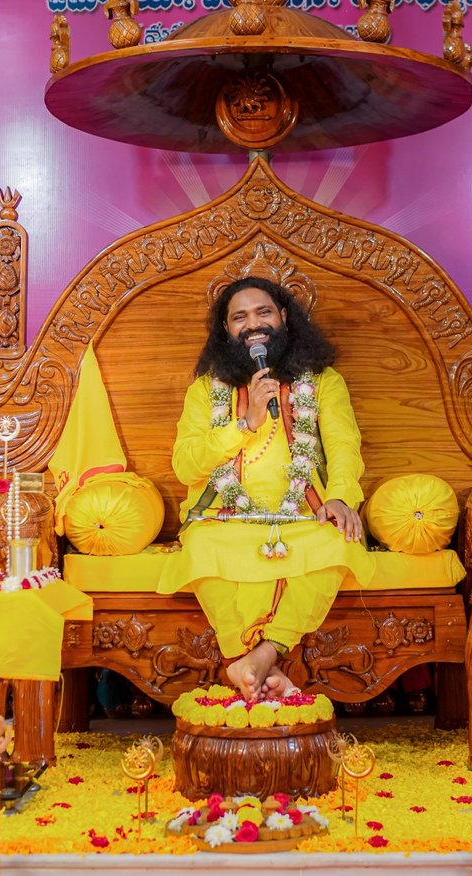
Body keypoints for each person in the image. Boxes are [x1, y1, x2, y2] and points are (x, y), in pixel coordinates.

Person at [158, 277, 374, 702]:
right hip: (225, 520)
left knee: (338, 542)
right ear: (226, 330)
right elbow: (185, 465)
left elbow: (344, 448)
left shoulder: (323, 381)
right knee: (200, 547)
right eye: (239, 317)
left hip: (303, 518)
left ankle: (254, 658)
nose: (253, 324)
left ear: (284, 318)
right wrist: (246, 423)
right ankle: (264, 661)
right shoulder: (205, 390)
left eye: (263, 312)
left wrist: (340, 497)